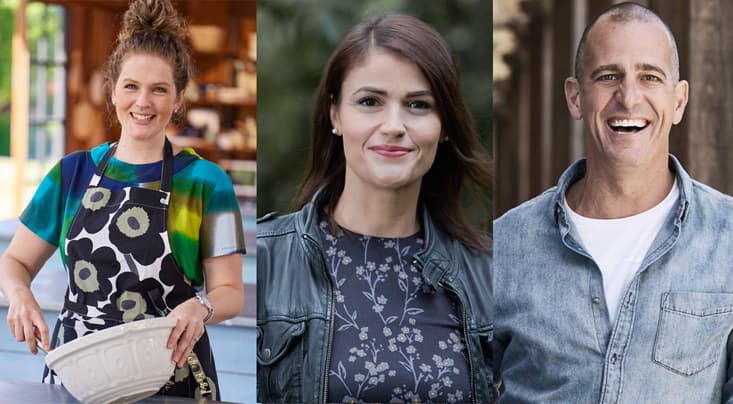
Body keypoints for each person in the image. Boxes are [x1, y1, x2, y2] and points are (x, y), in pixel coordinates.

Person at [0, 0, 245, 399]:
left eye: (159, 89)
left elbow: (230, 290)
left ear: (179, 98)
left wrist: (202, 308)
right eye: (131, 86)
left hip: (170, 373)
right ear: (112, 89)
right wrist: (20, 296)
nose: (143, 103)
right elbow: (14, 261)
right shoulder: (72, 173)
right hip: (77, 374)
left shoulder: (206, 182)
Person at [492, 2, 733, 402]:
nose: (629, 97)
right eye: (608, 76)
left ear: (678, 101)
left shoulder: (727, 238)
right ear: (575, 97)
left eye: (650, 77)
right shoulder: (506, 245)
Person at [257, 14, 494, 403]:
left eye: (418, 105)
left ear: (444, 125)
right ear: (336, 115)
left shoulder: (489, 275)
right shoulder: (270, 260)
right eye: (370, 102)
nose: (394, 125)